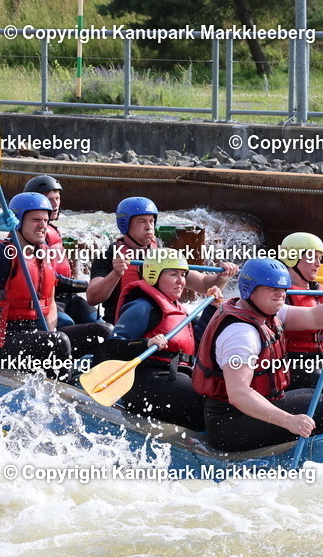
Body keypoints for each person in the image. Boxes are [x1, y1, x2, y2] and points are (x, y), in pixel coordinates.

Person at [192, 255, 323, 452]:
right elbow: (239, 394)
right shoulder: (241, 334)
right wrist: (290, 421)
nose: (280, 294)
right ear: (249, 289)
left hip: (248, 410)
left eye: (283, 289)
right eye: (272, 288)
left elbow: (316, 318)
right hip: (230, 425)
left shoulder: (267, 310)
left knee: (313, 388)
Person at [0, 192, 109, 373]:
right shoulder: (0, 253)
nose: (43, 225)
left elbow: (49, 302)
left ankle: (94, 383)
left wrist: (50, 335)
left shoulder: (44, 254)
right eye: (36, 220)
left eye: (45, 220)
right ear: (18, 221)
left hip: (35, 338)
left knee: (103, 331)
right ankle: (62, 384)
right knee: (58, 341)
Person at [104, 249, 221, 430]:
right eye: (173, 274)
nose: (181, 281)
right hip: (145, 381)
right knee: (213, 404)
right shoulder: (142, 307)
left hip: (176, 376)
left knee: (223, 393)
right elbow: (111, 348)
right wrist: (146, 344)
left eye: (183, 275)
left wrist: (211, 308)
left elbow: (197, 344)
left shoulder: (179, 310)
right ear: (154, 275)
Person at [87, 196, 238, 324]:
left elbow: (205, 285)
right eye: (142, 221)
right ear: (125, 224)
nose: (149, 227)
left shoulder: (162, 254)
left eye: (151, 221)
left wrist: (223, 277)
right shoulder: (108, 257)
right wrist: (115, 274)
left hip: (162, 321)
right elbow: (92, 298)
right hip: (128, 326)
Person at [24, 174, 100, 327]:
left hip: (67, 296)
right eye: (49, 199)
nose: (55, 204)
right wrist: (81, 285)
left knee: (99, 324)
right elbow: (42, 274)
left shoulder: (52, 229)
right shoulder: (32, 234)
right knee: (67, 325)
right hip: (47, 298)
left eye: (57, 198)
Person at [280, 232, 323, 391]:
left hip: (322, 356)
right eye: (312, 257)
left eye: (320, 259)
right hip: (292, 360)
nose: (318, 264)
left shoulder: (321, 291)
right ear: (292, 258)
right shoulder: (279, 294)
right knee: (317, 375)